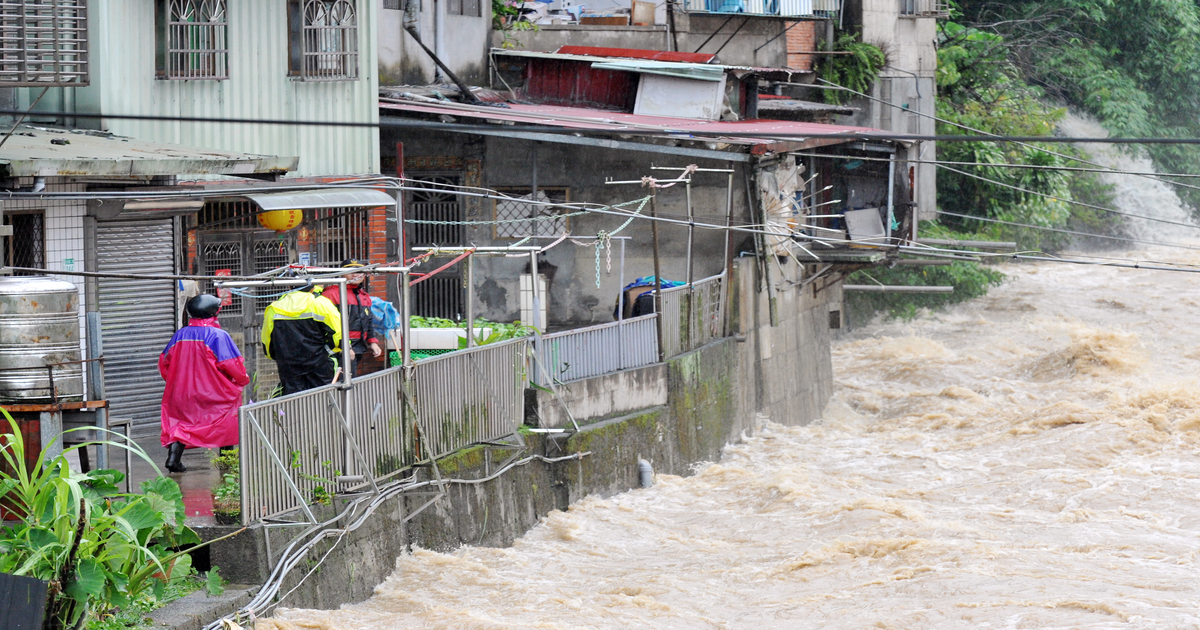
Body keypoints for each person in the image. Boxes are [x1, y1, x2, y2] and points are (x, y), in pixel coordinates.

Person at [159, 294, 250, 474]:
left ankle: (173, 459)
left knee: (181, 425)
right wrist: (242, 380)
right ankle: (226, 463)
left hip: (183, 393)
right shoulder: (218, 336)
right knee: (225, 423)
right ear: (215, 311)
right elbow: (232, 365)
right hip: (215, 393)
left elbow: (164, 362)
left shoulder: (180, 335)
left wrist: (177, 383)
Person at [261, 285, 343, 395]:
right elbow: (338, 333)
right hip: (319, 361)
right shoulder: (321, 304)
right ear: (313, 288)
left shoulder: (274, 308)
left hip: (289, 363)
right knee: (323, 396)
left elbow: (267, 338)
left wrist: (274, 355)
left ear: (289, 287)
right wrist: (331, 350)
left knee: (293, 400)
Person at [320, 260, 381, 374]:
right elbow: (327, 325)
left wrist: (373, 342)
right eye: (350, 271)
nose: (355, 275)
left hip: (358, 346)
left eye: (359, 271)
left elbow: (369, 320)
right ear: (342, 273)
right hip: (337, 349)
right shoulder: (331, 294)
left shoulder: (363, 295)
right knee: (343, 381)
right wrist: (345, 347)